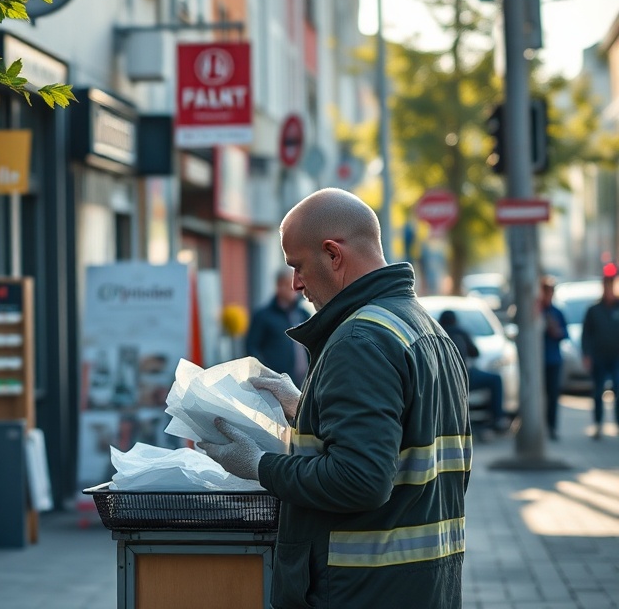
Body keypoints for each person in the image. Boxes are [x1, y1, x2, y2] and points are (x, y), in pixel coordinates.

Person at [199, 188, 470, 609]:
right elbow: (410, 454)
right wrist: (304, 408)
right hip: (424, 586)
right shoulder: (425, 330)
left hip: (360, 591)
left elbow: (360, 480)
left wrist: (259, 465)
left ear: (333, 254)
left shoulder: (361, 340)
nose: (296, 283)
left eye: (299, 266)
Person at [438, 309, 509, 434]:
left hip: (441, 381)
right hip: (464, 377)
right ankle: (497, 418)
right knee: (496, 379)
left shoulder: (435, 334)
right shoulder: (460, 332)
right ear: (455, 321)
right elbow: (475, 353)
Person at [245, 268, 310, 386]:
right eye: (290, 286)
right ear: (279, 286)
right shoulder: (263, 316)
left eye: (297, 286)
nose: (295, 290)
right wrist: (266, 375)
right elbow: (251, 348)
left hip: (304, 383)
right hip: (276, 384)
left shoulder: (303, 314)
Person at [580, 274, 619, 439]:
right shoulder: (594, 310)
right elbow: (586, 334)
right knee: (598, 392)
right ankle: (597, 424)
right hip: (599, 357)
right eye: (606, 286)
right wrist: (587, 354)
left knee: (618, 390)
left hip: (617, 357)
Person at [538, 276, 568, 441]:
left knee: (553, 395)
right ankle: (539, 426)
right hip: (538, 362)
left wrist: (556, 330)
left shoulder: (557, 312)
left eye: (550, 293)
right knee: (538, 396)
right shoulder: (536, 311)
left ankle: (552, 427)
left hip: (554, 360)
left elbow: (565, 334)